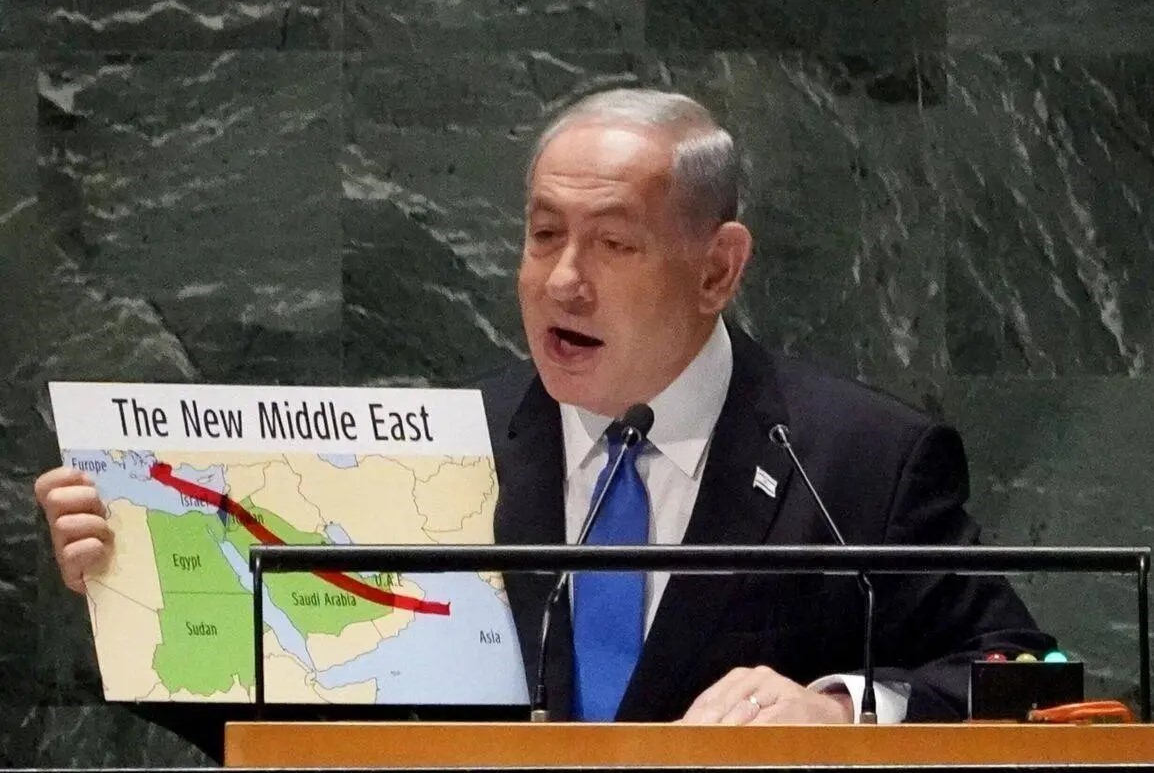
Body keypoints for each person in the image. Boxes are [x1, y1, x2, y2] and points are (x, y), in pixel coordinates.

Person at [35, 89, 1051, 748]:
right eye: (542, 235)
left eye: (612, 244)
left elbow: (1031, 680)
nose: (562, 280)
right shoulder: (448, 449)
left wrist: (838, 707)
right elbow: (318, 716)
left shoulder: (857, 457)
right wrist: (135, 586)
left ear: (716, 268)